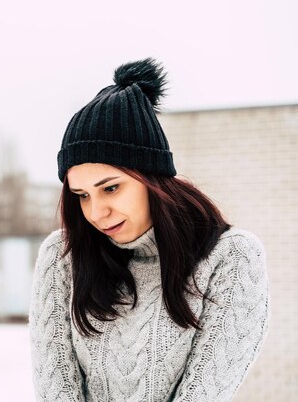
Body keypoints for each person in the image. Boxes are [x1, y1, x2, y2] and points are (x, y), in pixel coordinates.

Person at [28, 58, 270, 402]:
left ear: (152, 178)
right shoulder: (64, 257)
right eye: (82, 195)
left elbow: (203, 394)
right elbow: (56, 389)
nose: (96, 212)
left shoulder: (232, 257)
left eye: (111, 188)